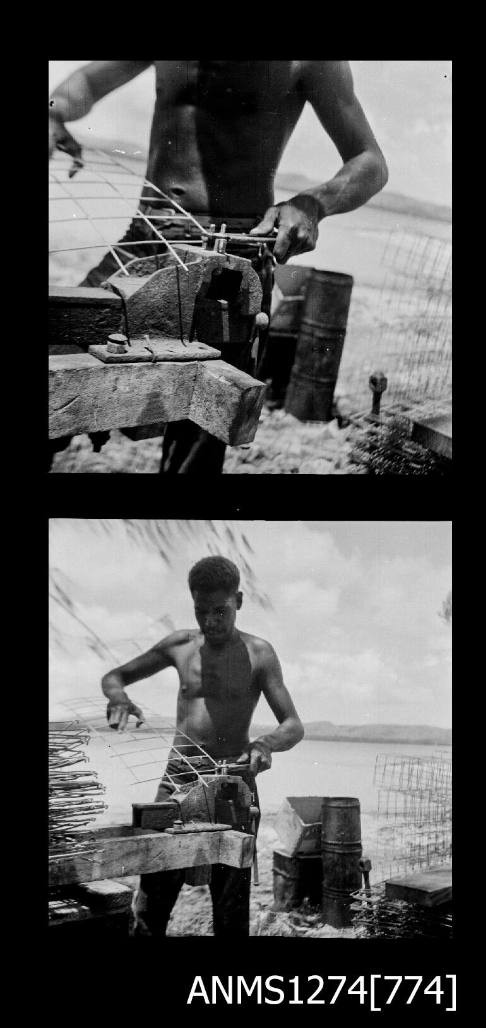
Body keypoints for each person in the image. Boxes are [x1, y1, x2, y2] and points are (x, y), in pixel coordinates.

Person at [50, 61, 388, 472]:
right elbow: (87, 80)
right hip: (146, 237)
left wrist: (313, 204)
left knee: (199, 434)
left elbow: (370, 161)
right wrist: (55, 111)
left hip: (235, 258)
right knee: (58, 355)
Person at [101, 555, 304, 937]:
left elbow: (293, 725)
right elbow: (115, 676)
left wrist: (264, 744)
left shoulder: (260, 653)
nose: (210, 621)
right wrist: (119, 698)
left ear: (239, 601)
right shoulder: (180, 646)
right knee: (152, 898)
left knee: (230, 907)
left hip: (233, 785)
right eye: (201, 611)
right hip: (176, 779)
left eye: (220, 611)